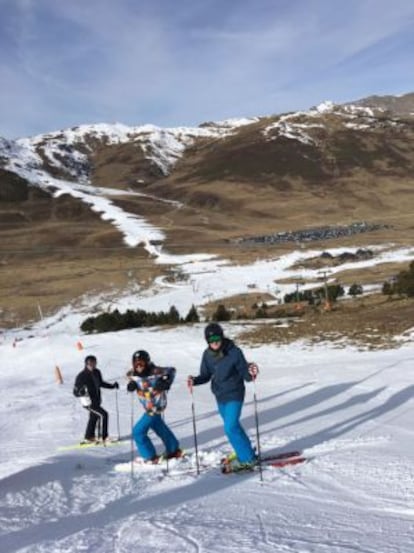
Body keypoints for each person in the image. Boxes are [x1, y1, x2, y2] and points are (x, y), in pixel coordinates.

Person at [188, 323, 259, 469]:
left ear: (222, 336)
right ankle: (245, 451)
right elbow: (205, 375)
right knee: (234, 427)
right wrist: (194, 380)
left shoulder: (234, 352)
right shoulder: (207, 355)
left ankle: (248, 459)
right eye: (211, 339)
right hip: (220, 396)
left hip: (235, 394)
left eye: (217, 338)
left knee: (230, 427)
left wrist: (251, 371)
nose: (215, 342)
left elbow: (245, 374)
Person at [126, 350, 182, 464]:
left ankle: (150, 457)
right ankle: (173, 450)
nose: (139, 366)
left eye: (141, 363)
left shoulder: (156, 371)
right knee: (158, 426)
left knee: (138, 431)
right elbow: (129, 377)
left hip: (156, 406)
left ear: (147, 362)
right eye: (136, 364)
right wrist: (131, 385)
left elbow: (172, 370)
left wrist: (165, 381)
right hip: (147, 406)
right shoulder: (132, 374)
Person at [73, 355, 119, 444]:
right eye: (90, 363)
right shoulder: (82, 376)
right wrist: (81, 392)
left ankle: (89, 437)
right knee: (103, 414)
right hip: (88, 402)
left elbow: (101, 383)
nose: (92, 365)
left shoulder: (97, 372)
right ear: (86, 364)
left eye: (94, 362)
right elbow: (75, 392)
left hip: (96, 400)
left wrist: (112, 386)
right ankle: (104, 437)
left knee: (94, 417)